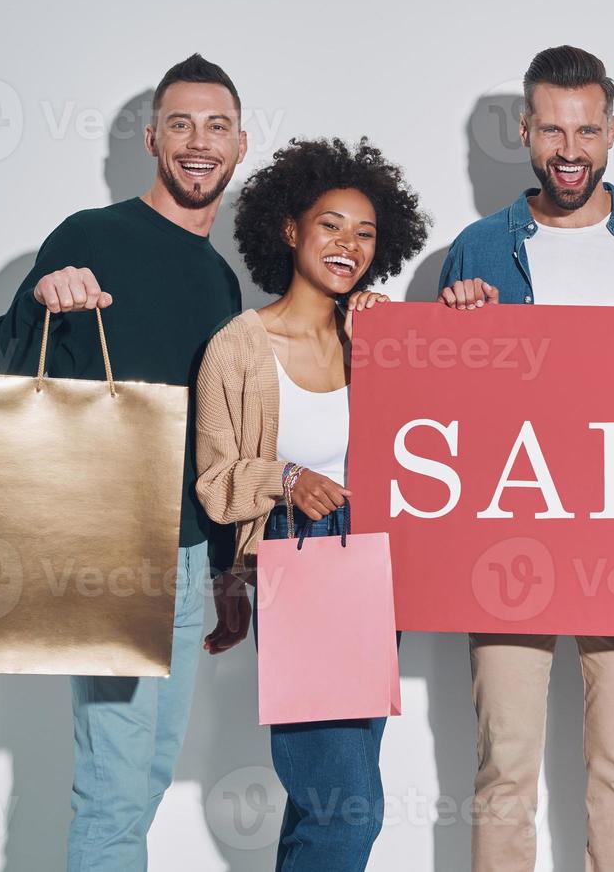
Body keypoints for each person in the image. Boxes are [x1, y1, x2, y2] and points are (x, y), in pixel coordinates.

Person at [438, 44, 614, 870]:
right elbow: (441, 419)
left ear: (612, 132)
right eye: (552, 129)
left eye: (586, 129)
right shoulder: (481, 248)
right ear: (525, 131)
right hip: (508, 539)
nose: (569, 149)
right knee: (504, 768)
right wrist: (454, 326)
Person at [0, 54, 247, 871]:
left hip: (191, 557)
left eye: (217, 126)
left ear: (240, 144)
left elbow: (217, 432)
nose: (199, 142)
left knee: (147, 773)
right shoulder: (92, 235)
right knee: (115, 787)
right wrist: (44, 296)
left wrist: (228, 574)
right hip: (107, 545)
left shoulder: (221, 279)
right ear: (151, 137)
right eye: (181, 124)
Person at [194, 136, 430, 871]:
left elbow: (431, 445)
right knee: (347, 807)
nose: (348, 244)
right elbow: (213, 477)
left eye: (364, 233)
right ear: (290, 229)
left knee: (323, 799)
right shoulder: (239, 345)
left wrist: (389, 345)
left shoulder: (373, 340)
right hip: (298, 555)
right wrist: (287, 480)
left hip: (374, 564)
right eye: (331, 225)